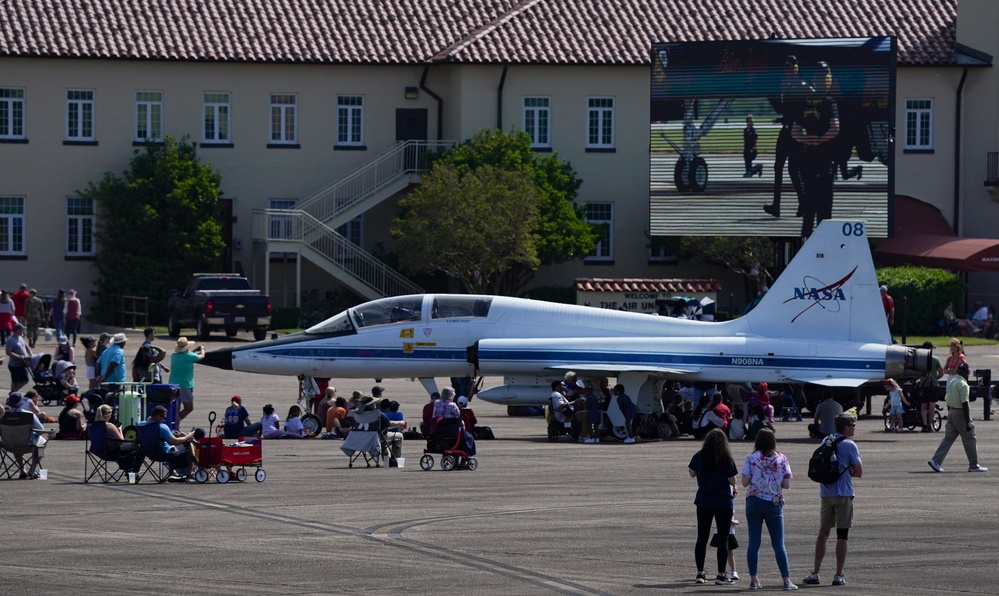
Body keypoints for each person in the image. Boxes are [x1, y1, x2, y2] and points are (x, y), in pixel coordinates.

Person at [803, 414, 862, 587]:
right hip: (843, 493)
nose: (854, 428)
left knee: (823, 533)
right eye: (853, 425)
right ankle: (838, 574)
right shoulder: (850, 445)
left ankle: (815, 572)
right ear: (846, 428)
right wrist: (849, 469)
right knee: (842, 535)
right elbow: (859, 472)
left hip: (826, 493)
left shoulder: (825, 441)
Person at [741, 428, 796, 590]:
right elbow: (786, 484)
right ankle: (786, 581)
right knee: (779, 544)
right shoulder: (782, 459)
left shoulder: (751, 458)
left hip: (754, 500)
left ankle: (754, 580)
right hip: (774, 502)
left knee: (754, 542)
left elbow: (744, 482)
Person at [688, 428, 738, 585]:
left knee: (701, 537)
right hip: (723, 502)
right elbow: (732, 480)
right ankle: (721, 574)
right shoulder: (726, 458)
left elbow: (691, 473)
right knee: (723, 538)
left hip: (704, 501)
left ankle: (700, 573)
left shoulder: (699, 455)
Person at [764, 54, 808, 219]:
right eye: (786, 67)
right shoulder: (786, 85)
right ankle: (776, 205)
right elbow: (784, 109)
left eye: (790, 67)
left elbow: (797, 113)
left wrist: (783, 118)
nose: (787, 70)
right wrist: (772, 98)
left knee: (793, 170)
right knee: (778, 168)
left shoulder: (801, 86)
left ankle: (804, 203)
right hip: (786, 131)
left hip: (795, 132)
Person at [928, 362, 988, 473]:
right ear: (966, 372)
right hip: (960, 413)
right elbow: (965, 403)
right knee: (970, 438)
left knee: (948, 439)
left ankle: (936, 460)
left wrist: (951, 413)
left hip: (951, 411)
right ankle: (973, 465)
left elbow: (947, 398)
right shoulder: (963, 385)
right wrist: (968, 421)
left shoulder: (952, 382)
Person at [139, 405, 197, 481]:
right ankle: (190, 474)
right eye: (164, 418)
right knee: (189, 443)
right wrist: (188, 436)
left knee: (172, 441)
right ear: (159, 416)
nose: (164, 420)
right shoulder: (162, 427)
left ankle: (172, 472)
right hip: (163, 454)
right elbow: (175, 441)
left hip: (147, 452)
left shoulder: (142, 425)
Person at [169, 337, 206, 422]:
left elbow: (186, 355)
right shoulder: (189, 356)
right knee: (189, 407)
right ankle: (175, 422)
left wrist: (195, 349)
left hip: (173, 385)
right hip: (184, 385)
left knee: (176, 409)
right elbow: (201, 356)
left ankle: (175, 426)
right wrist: (202, 349)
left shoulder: (174, 356)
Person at [918, 341, 944, 432]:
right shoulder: (935, 359)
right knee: (932, 404)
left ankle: (924, 424)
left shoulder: (920, 359)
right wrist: (936, 378)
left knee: (923, 405)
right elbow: (941, 372)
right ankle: (930, 425)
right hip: (933, 384)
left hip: (923, 384)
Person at [6, 323, 33, 392]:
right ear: (18, 330)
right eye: (22, 330)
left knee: (25, 380)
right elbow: (8, 352)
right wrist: (18, 356)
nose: (23, 331)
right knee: (15, 381)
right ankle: (13, 394)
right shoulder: (11, 340)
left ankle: (14, 391)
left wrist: (31, 355)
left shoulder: (21, 337)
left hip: (23, 363)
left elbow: (27, 347)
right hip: (14, 365)